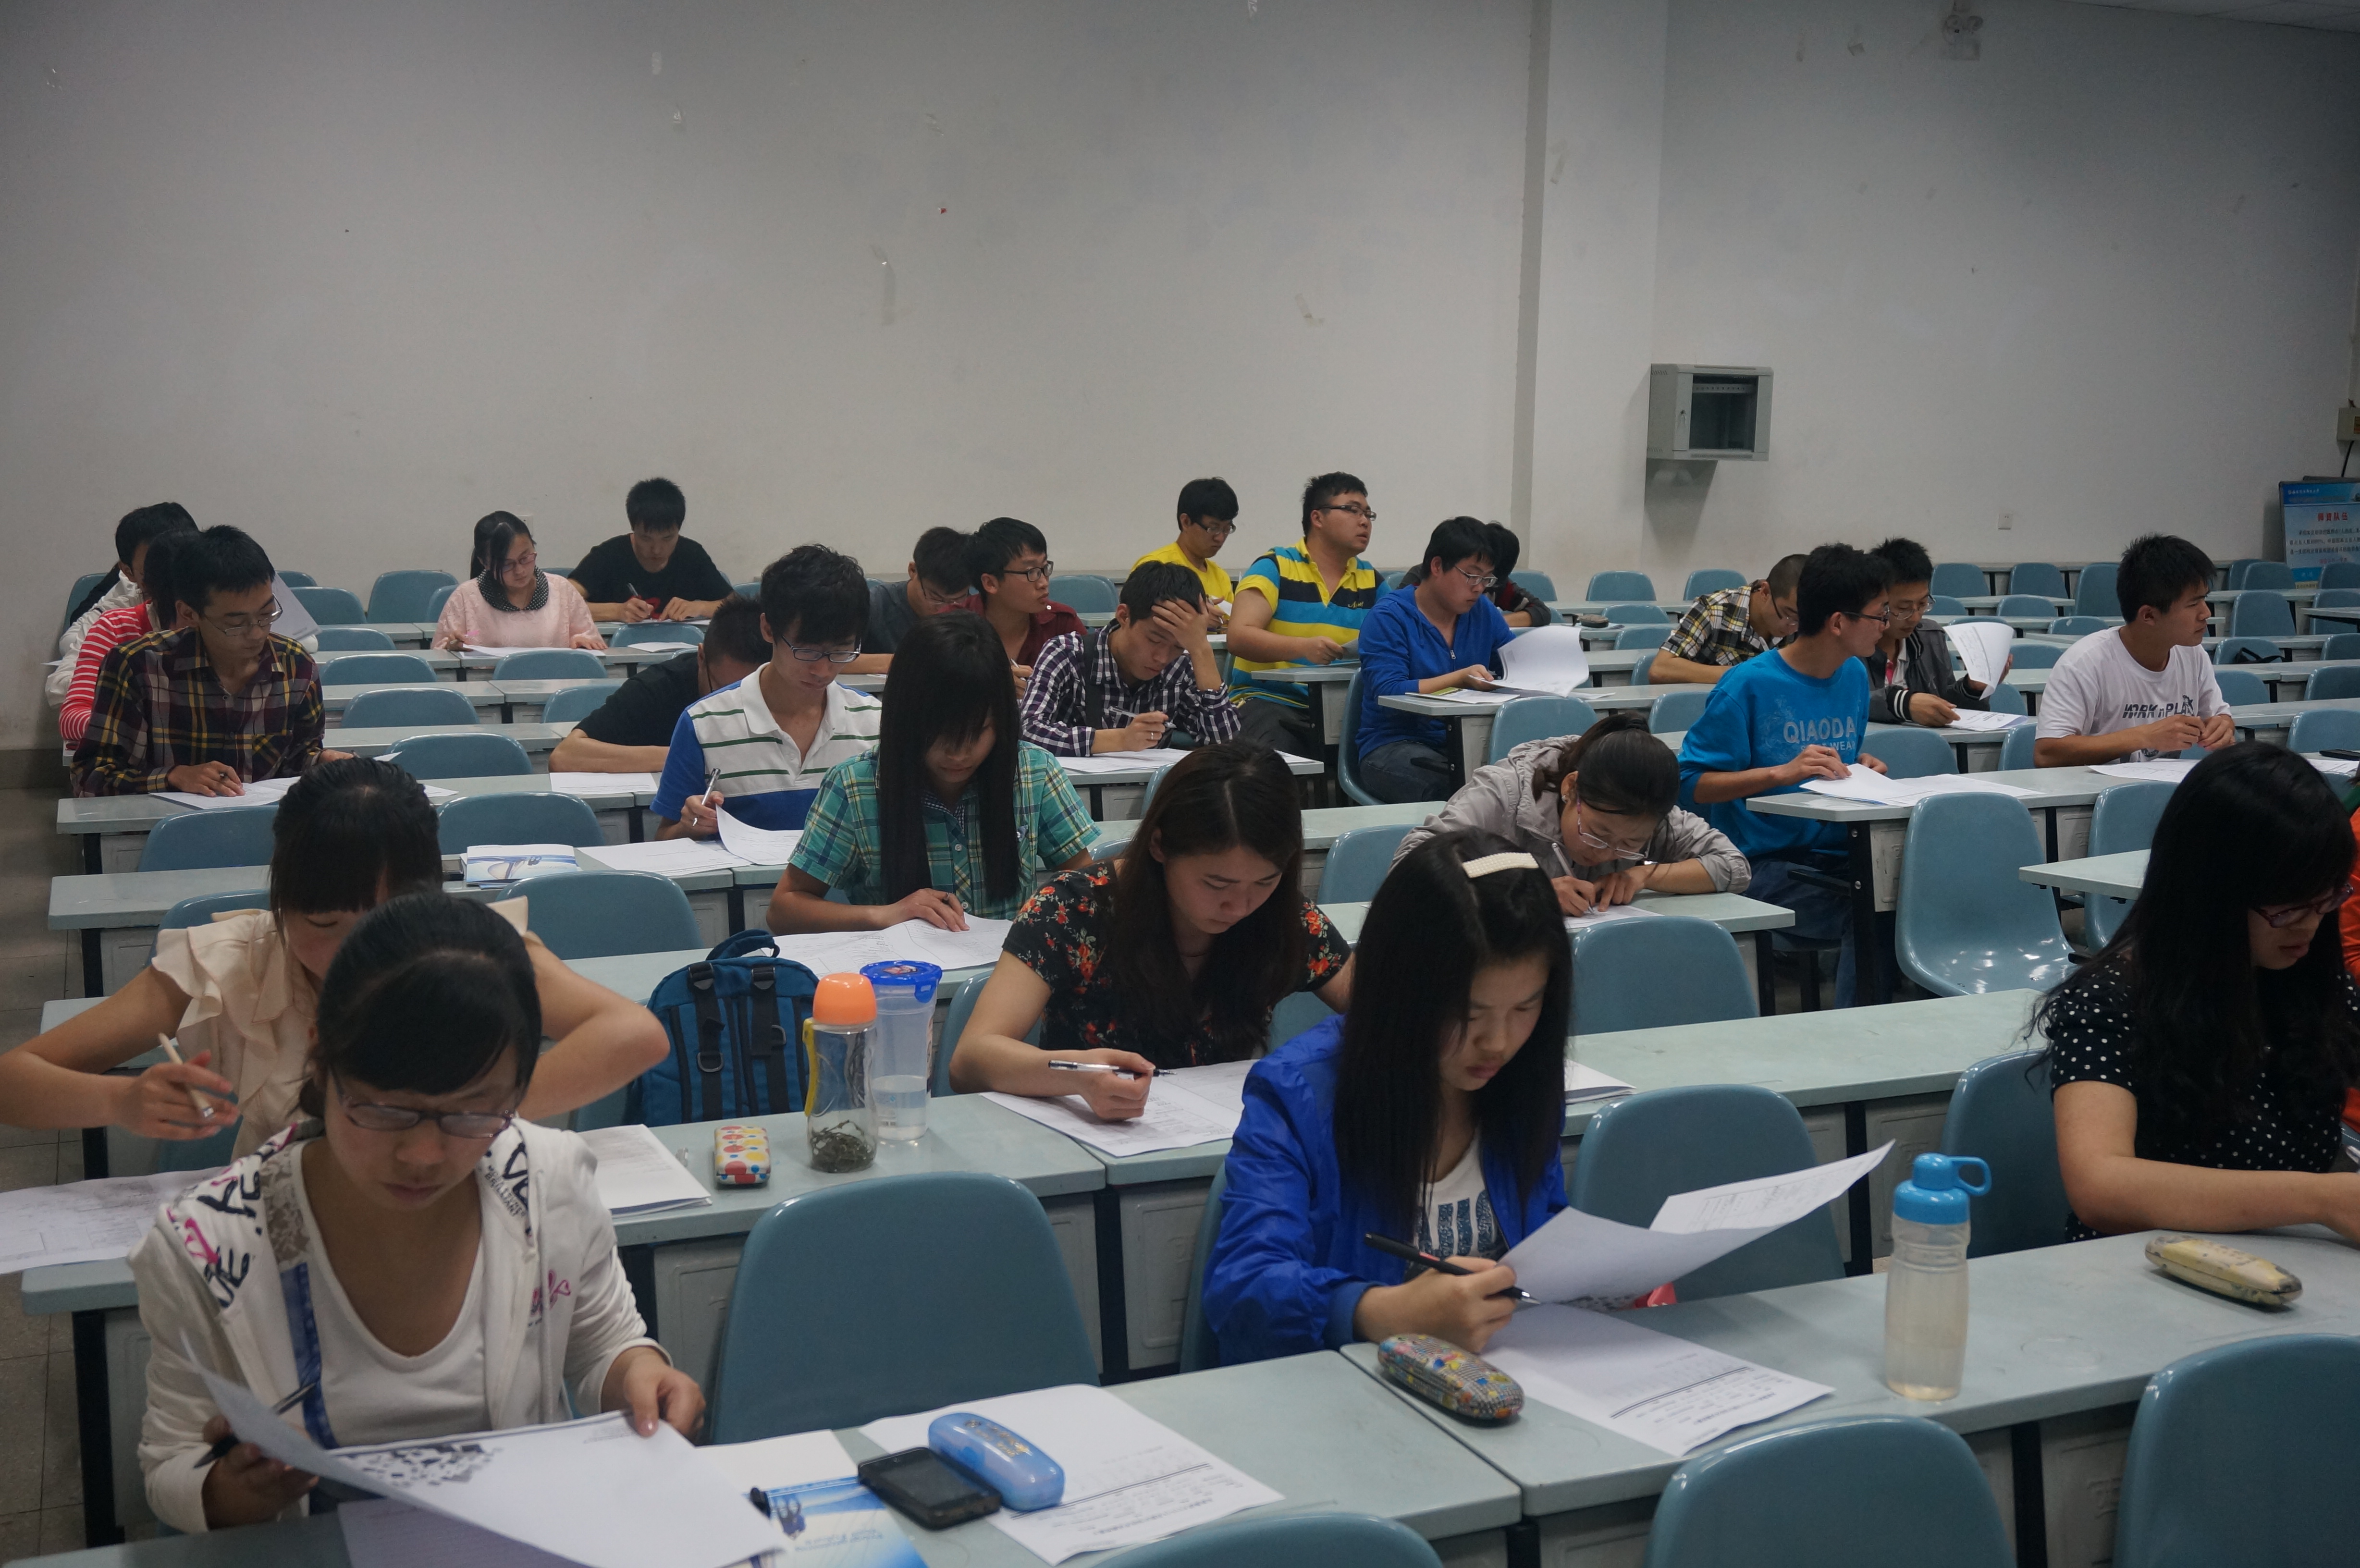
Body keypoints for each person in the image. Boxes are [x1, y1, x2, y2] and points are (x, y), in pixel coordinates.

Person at [131, 893, 699, 1534]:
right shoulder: (207, 1246)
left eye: (472, 1111)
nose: (424, 1155)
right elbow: (170, 1464)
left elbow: (603, 1345)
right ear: (321, 1057)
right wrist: (235, 1493)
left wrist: (641, 1375)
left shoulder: (549, 1183)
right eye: (385, 1109)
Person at [0, 758, 667, 1157]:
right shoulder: (227, 962)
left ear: (430, 897)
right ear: (281, 902)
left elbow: (634, 1033)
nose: (359, 951)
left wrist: (481, 1113)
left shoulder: (470, 947)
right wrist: (120, 1100)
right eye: (322, 923)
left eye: (386, 921)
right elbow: (14, 1080)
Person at [1203, 831, 1570, 1363]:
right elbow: (1244, 1288)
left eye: (1525, 1008)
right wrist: (1378, 1311)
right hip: (1344, 1392)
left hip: (1499, 1382)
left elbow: (1546, 1228)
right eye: (1467, 1014)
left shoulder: (1523, 1081)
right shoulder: (1300, 1093)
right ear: (1402, 993)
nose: (1497, 1042)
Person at [2039, 744, 2360, 1245]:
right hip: (2145, 1266)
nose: (2310, 926)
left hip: (2292, 1257)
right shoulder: (2112, 999)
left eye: (2326, 901)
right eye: (2286, 909)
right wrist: (2322, 1200)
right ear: (2212, 895)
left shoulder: (2305, 978)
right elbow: (2100, 1185)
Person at [950, 741, 1354, 1113]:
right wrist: (1076, 1076)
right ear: (1160, 845)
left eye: (1265, 881)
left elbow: (1379, 1015)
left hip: (1226, 1141)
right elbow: (970, 1059)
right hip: (1089, 1142)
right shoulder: (1073, 911)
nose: (1240, 906)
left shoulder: (1283, 919)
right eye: (1216, 884)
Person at [773, 613, 1097, 932]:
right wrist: (885, 915)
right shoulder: (855, 786)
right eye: (940, 733)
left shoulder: (1033, 773)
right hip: (898, 967)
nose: (959, 754)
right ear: (906, 718)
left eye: (978, 732)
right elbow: (784, 910)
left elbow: (1088, 889)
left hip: (1005, 964)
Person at [1678, 544, 1893, 1007]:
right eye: (1880, 615)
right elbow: (1690, 784)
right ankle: (1863, 1037)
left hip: (1840, 850)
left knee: (1915, 892)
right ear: (1839, 622)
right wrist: (1778, 773)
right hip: (1763, 863)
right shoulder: (1748, 685)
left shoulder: (1854, 676)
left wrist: (1858, 767)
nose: (1886, 626)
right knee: (1870, 912)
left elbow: (1829, 763)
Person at [73, 527, 338, 798]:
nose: (257, 633)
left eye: (266, 614)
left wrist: (322, 762)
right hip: (162, 822)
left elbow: (297, 759)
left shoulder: (295, 666)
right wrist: (173, 777)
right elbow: (91, 776)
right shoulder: (138, 667)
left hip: (265, 821)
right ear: (189, 614)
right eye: (236, 623)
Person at [1397, 711, 1748, 912]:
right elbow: (1412, 868)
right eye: (1597, 833)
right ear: (1571, 788)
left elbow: (1733, 866)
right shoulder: (1505, 793)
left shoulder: (1646, 806)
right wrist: (1531, 889)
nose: (1606, 853)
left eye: (1630, 845)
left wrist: (1643, 876)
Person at [652, 544, 881, 837]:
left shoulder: (874, 723)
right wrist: (689, 826)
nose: (823, 670)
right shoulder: (704, 724)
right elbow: (664, 837)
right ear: (769, 629)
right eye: (807, 651)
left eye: (841, 651)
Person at [2034, 534, 2236, 766]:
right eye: (2193, 604)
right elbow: (2046, 754)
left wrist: (2222, 726)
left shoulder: (2193, 655)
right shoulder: (2085, 662)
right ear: (2149, 615)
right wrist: (2145, 737)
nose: (2206, 613)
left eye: (2204, 600)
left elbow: (2219, 716)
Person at [1354, 517, 1515, 804]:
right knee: (1462, 793)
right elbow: (1387, 691)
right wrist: (1459, 679)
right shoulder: (1389, 617)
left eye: (1487, 579)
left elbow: (1515, 665)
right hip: (1394, 745)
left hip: (1465, 741)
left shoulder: (1482, 612)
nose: (1479, 588)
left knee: (1525, 781)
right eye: (1472, 575)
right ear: (1438, 566)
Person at [1225, 472, 1384, 756]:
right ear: (1318, 518)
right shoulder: (1275, 566)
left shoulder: (1373, 581)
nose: (1364, 522)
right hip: (1270, 700)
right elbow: (1238, 636)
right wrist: (1304, 648)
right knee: (1270, 758)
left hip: (1343, 707)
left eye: (1368, 514)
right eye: (1352, 510)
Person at [1019, 562, 1240, 755]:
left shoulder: (1181, 666)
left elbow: (1226, 744)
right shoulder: (1066, 653)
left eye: (1178, 646)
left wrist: (1201, 649)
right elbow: (1029, 731)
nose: (1162, 658)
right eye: (1154, 640)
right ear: (1124, 616)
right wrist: (1120, 740)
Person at [547, 594, 769, 774]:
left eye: (753, 692)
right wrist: (689, 756)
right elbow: (566, 756)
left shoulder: (787, 687)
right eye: (724, 690)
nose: (736, 704)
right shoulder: (658, 687)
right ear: (701, 658)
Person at [50, 502, 200, 710]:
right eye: (155, 572)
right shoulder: (116, 619)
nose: (173, 580)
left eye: (184, 565)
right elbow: (63, 692)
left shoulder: (221, 608)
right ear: (128, 572)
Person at [1864, 537, 1998, 726]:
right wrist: (1903, 704)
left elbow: (1947, 705)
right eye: (1903, 608)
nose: (1915, 618)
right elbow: (1843, 701)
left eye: (1922, 604)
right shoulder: (1853, 644)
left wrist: (1972, 689)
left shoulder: (1930, 638)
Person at [569, 476, 734, 623]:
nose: (657, 550)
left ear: (679, 530)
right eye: (646, 539)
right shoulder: (610, 555)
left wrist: (700, 607)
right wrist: (617, 612)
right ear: (633, 528)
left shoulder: (692, 555)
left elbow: (734, 604)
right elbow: (562, 602)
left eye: (667, 538)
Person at [435, 512, 604, 652]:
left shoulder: (562, 590)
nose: (520, 571)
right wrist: (452, 646)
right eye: (506, 565)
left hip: (554, 678)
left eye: (525, 558)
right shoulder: (466, 597)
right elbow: (442, 654)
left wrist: (583, 643)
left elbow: (590, 639)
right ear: (484, 562)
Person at [950, 517, 1084, 673]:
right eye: (1031, 572)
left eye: (1044, 568)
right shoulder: (950, 627)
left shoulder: (1062, 623)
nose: (1043, 583)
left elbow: (1089, 681)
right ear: (991, 583)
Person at [1651, 554, 1808, 686]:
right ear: (1765, 592)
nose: (1794, 628)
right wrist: (1740, 674)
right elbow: (1661, 668)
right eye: (1789, 615)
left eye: (1802, 620)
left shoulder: (1807, 621)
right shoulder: (1714, 609)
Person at [846, 525, 970, 674]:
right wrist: (904, 662)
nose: (944, 609)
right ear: (913, 571)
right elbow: (835, 659)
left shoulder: (974, 609)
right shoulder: (873, 605)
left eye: (957, 600)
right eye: (935, 598)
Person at [1131, 478, 1240, 622]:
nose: (1220, 538)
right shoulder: (1155, 567)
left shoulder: (1221, 577)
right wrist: (1196, 621)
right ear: (1186, 522)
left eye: (1227, 529)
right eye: (1213, 528)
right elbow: (1136, 623)